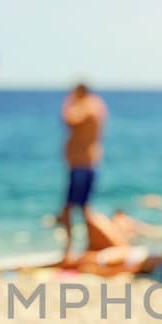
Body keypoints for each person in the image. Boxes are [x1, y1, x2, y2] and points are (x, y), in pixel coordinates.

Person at [58, 81, 108, 258]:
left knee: (72, 209)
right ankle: (88, 246)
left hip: (82, 163)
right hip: (88, 162)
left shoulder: (86, 107)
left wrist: (68, 102)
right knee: (82, 208)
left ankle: (69, 250)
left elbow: (69, 119)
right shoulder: (97, 104)